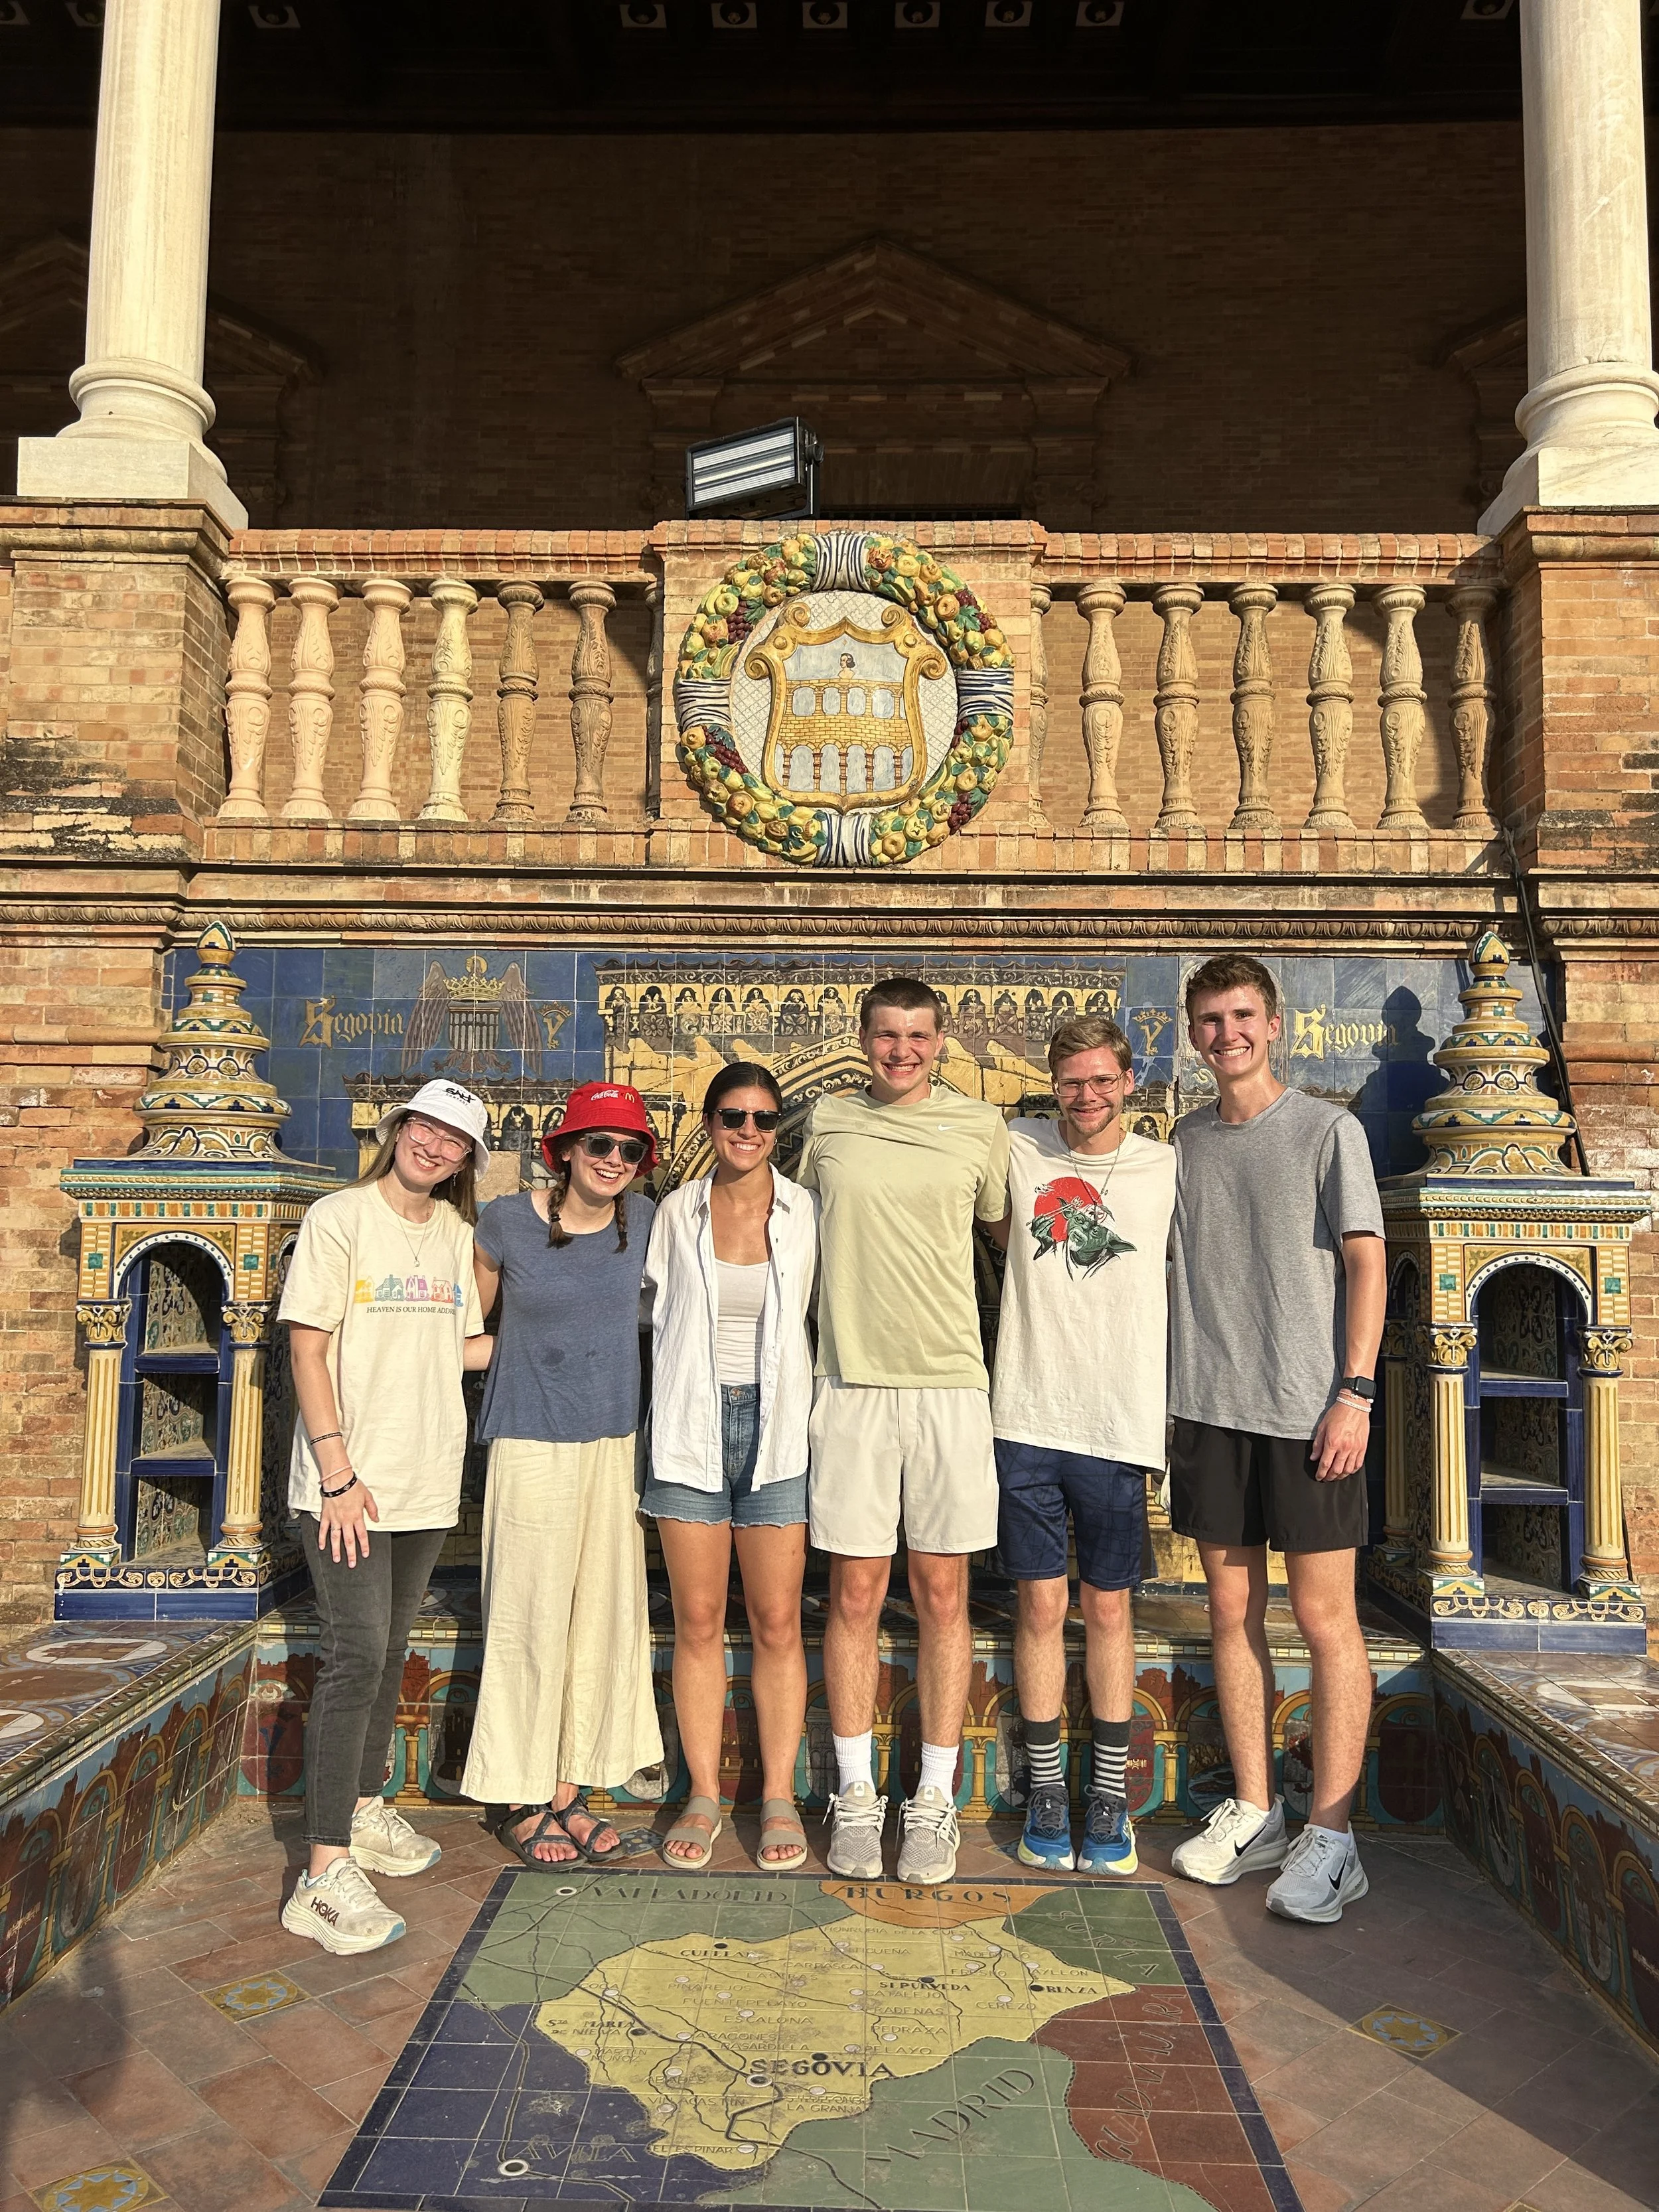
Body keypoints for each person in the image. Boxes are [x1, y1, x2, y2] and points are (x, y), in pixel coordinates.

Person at [1167, 954, 1386, 1924]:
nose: (1228, 1035)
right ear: (1192, 1031)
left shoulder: (1328, 1131)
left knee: (1327, 1616)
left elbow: (1367, 1265)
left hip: (1309, 1410)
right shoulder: (1185, 1140)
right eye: (1210, 1019)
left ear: (1276, 1023)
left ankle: (1332, 1836)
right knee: (1230, 1607)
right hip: (1213, 1406)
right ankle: (1256, 1808)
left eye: (1242, 1015)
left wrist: (1356, 1390)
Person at [797, 977, 1010, 1884]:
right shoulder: (826, 1126)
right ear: (864, 1037)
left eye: (918, 1036)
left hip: (951, 1386)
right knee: (853, 1593)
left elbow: (1002, 1228)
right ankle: (855, 1792)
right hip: (850, 1385)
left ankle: (932, 1800)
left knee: (944, 1595)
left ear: (940, 1041)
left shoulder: (979, 1128)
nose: (902, 1051)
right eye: (887, 1035)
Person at [279, 1080, 493, 1955]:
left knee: (387, 1650)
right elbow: (306, 1341)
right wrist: (335, 1467)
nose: (435, 1146)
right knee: (355, 1657)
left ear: (467, 1161)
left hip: (424, 1479)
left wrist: (569, 1332)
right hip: (349, 1483)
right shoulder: (342, 1217)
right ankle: (322, 1873)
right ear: (399, 1128)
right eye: (426, 1128)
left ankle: (363, 1808)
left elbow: (464, 1345)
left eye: (455, 1140)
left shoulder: (455, 1236)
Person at [989, 1015, 1175, 1876]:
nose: (1088, 1097)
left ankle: (1107, 1795)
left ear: (1128, 1080)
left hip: (1113, 1423)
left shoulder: (1165, 1165)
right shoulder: (1018, 1146)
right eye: (1072, 1082)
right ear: (1051, 1082)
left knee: (1106, 1607)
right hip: (1026, 1415)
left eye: (1103, 1081)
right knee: (1037, 1606)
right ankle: (1048, 1788)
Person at [461, 1080, 663, 1867]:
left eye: (629, 1148)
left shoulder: (642, 1222)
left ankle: (571, 1788)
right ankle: (518, 1792)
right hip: (529, 1440)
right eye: (600, 1144)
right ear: (567, 1149)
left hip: (611, 1442)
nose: (613, 1159)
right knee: (526, 1615)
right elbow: (462, 1332)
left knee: (600, 1617)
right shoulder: (507, 1222)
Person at [640, 1063, 816, 1872]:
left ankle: (777, 1794)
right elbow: (641, 1310)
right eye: (733, 1117)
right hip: (689, 1427)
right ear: (709, 1123)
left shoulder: (803, 1211)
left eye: (763, 1120)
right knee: (700, 1623)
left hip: (777, 1431)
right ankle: (704, 1793)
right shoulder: (673, 1215)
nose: (749, 1133)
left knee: (777, 1624)